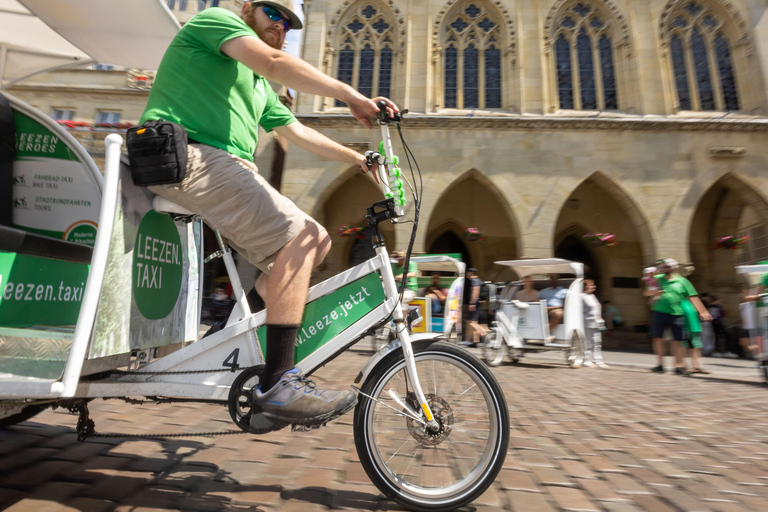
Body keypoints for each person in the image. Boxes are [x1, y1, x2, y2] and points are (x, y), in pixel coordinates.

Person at [140, 0, 398, 429]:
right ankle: (279, 382)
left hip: (219, 167)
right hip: (186, 155)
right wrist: (353, 97)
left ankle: (221, 344)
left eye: (287, 22)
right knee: (306, 237)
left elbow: (296, 132)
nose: (280, 26)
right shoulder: (215, 22)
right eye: (272, 13)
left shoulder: (259, 84)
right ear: (247, 8)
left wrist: (357, 160)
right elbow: (276, 61)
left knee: (310, 249)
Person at [647, 259, 711, 375]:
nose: (664, 269)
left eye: (667, 266)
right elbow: (647, 292)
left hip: (677, 313)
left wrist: (702, 311)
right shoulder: (657, 279)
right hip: (659, 311)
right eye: (663, 267)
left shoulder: (683, 281)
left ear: (674, 268)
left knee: (678, 340)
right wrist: (653, 291)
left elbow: (693, 297)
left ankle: (678, 365)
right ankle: (660, 364)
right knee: (657, 338)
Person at [581, 279, 608, 368]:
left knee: (597, 342)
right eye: (591, 285)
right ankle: (587, 360)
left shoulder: (592, 296)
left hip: (596, 322)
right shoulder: (581, 296)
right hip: (586, 322)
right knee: (587, 342)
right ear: (585, 286)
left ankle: (598, 360)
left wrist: (601, 320)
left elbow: (597, 309)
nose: (594, 286)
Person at [462, 268, 488, 348]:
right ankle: (474, 341)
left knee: (472, 323)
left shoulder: (475, 280)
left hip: (475, 303)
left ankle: (486, 335)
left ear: (471, 273)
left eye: (467, 273)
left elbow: (475, 291)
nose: (466, 274)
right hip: (478, 303)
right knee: (473, 322)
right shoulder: (479, 280)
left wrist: (472, 303)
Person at [539, 274, 567, 342]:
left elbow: (565, 304)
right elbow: (536, 300)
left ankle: (546, 334)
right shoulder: (544, 291)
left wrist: (550, 308)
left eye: (555, 278)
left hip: (557, 308)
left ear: (558, 279)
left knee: (558, 313)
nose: (553, 280)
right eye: (551, 278)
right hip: (543, 309)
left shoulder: (564, 291)